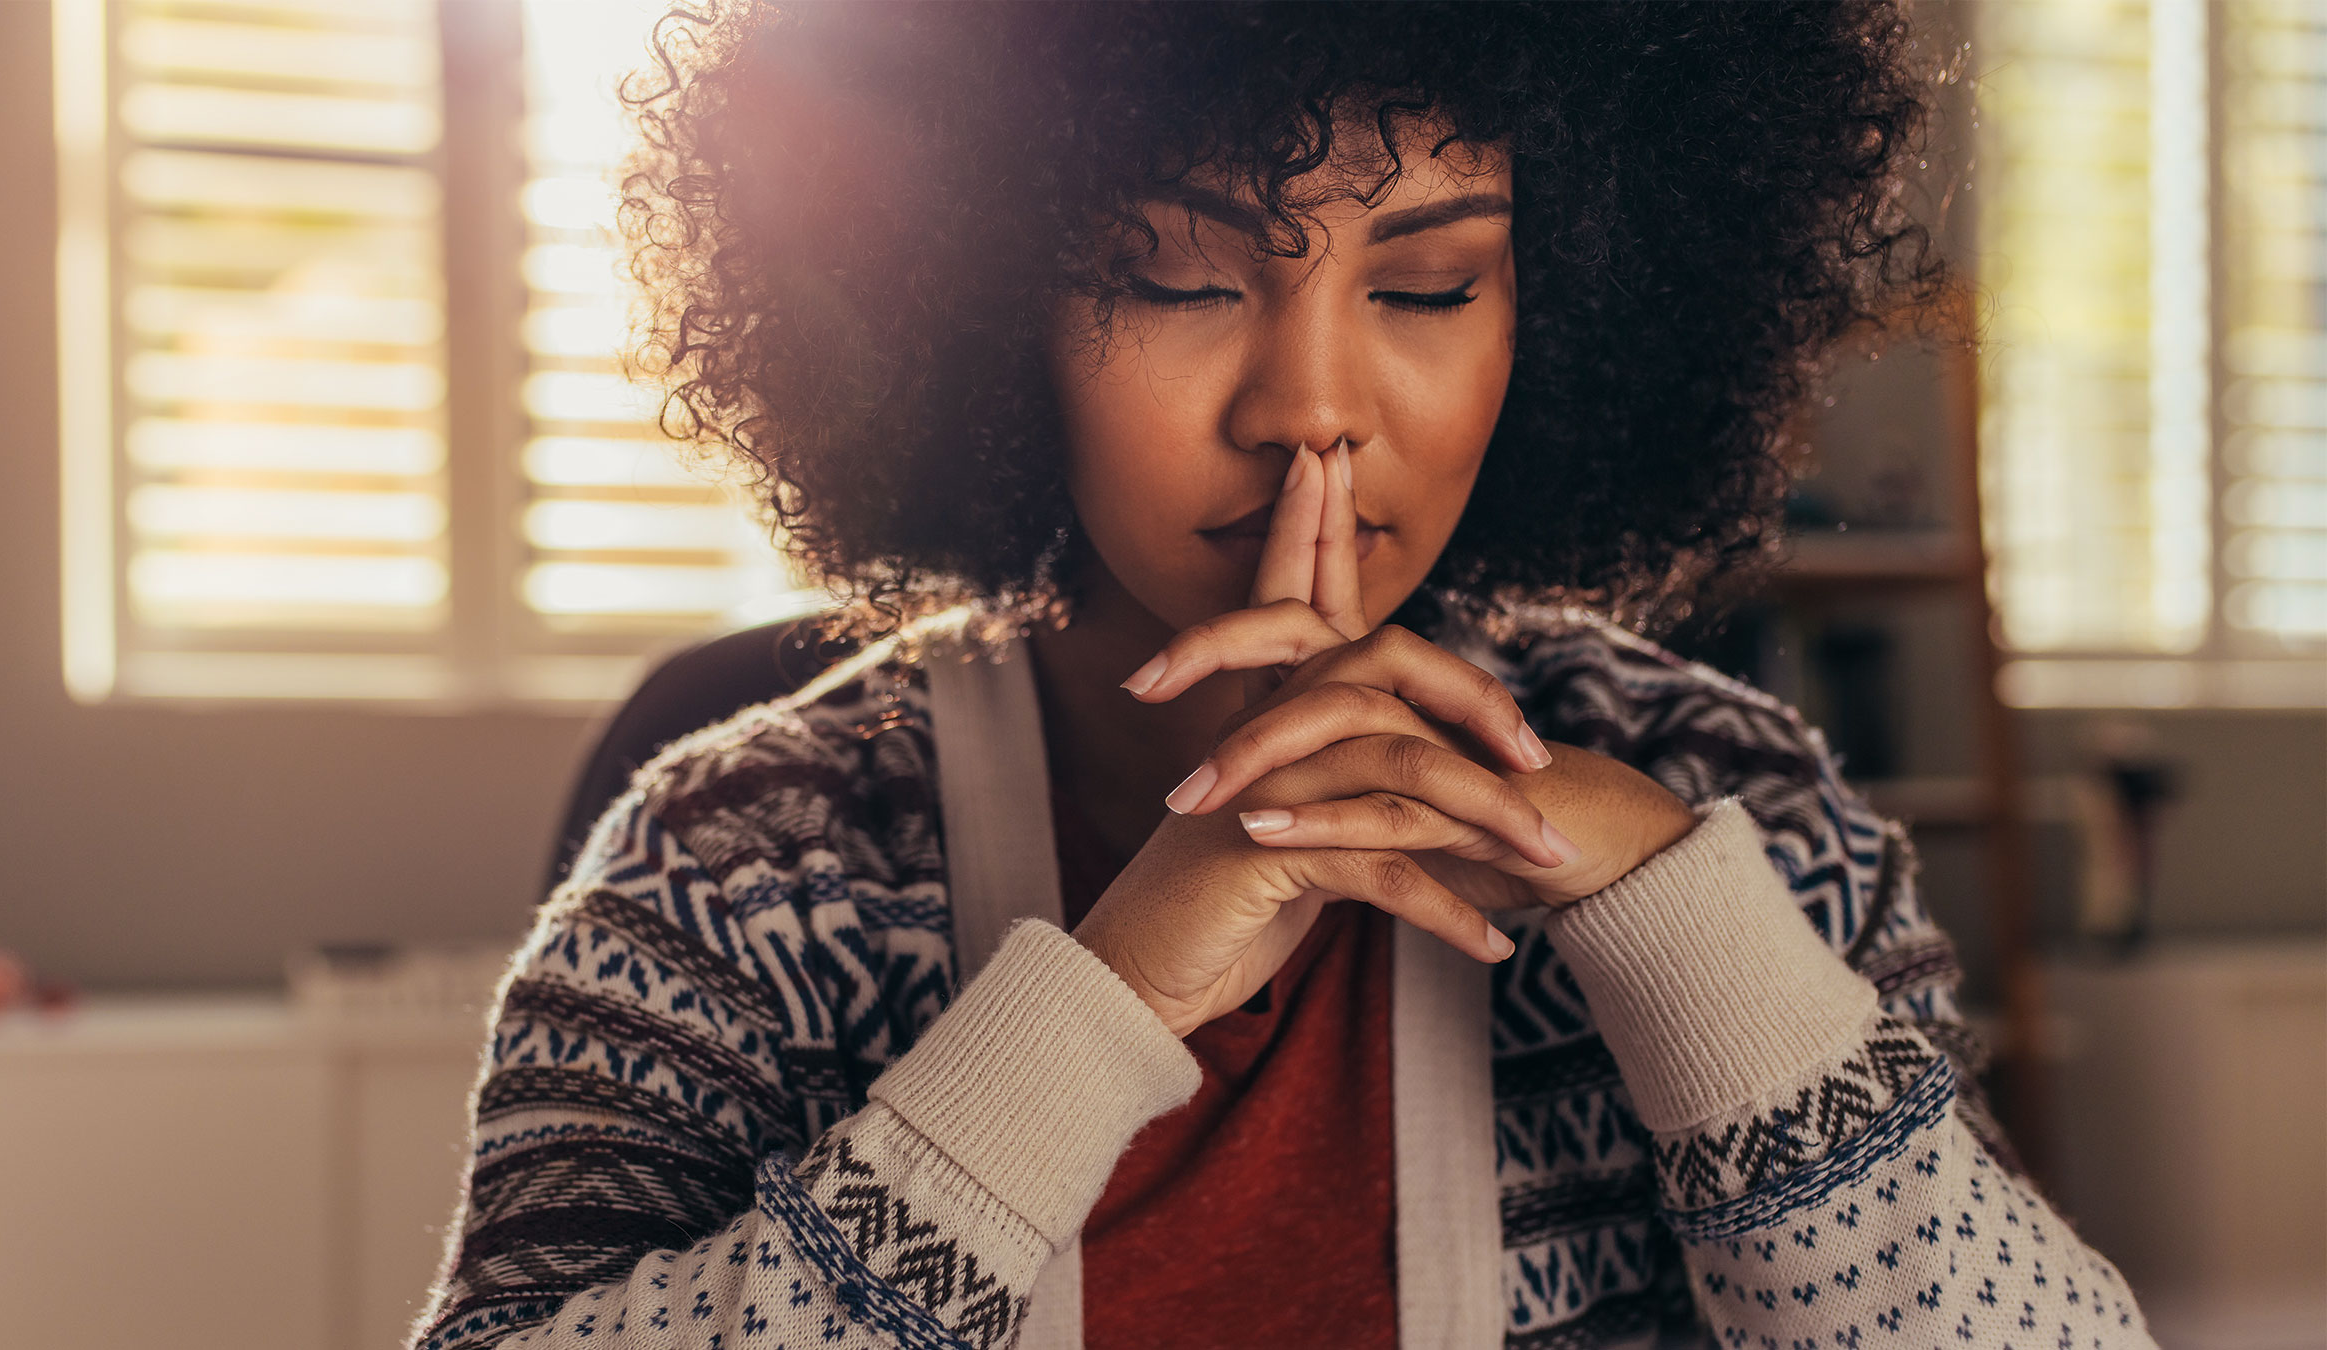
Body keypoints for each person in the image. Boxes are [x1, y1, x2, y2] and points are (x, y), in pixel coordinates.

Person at [411, 4, 2153, 1347]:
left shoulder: (1730, 800)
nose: (1311, 405)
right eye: (1176, 276)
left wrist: (1659, 910)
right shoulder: (744, 859)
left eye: (1431, 283)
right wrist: (1107, 1000)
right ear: (978, 300)